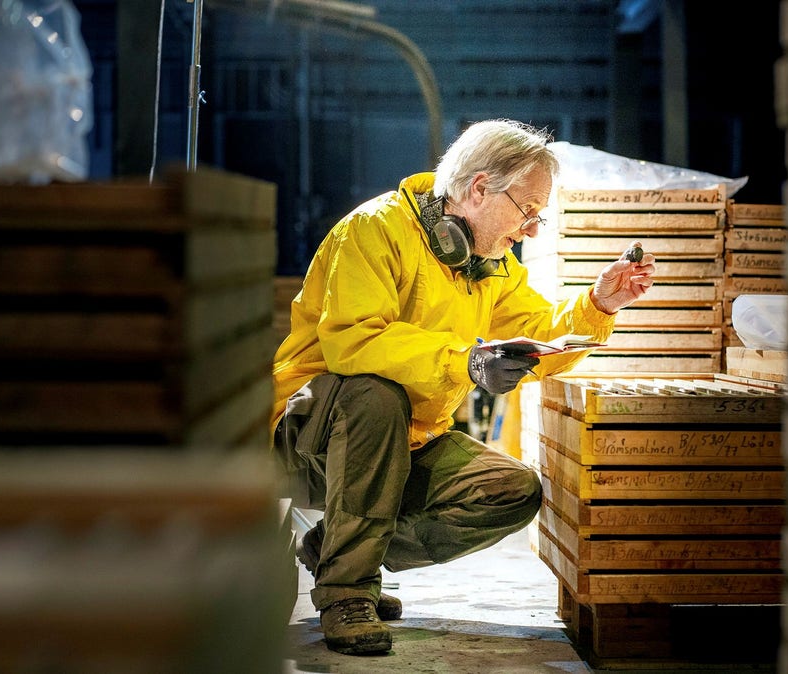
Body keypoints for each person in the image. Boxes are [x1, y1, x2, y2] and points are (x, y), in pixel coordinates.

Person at [271, 119, 657, 655]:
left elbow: (537, 331)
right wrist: (466, 362)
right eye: (528, 213)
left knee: (510, 491)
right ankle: (345, 592)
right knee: (376, 395)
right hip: (312, 433)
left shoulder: (487, 263)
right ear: (478, 189)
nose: (532, 231)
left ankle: (334, 550)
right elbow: (354, 345)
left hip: (405, 440)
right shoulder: (372, 231)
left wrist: (598, 306)